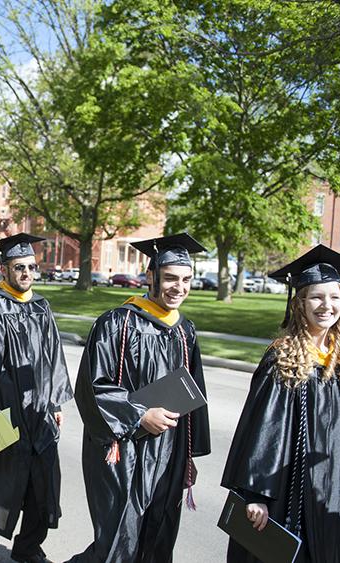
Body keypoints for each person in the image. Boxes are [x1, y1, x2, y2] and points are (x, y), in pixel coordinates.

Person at [221, 245, 340, 562]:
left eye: (334, 298)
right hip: (287, 497)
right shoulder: (282, 358)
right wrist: (255, 495)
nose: (326, 305)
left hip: (331, 497)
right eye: (316, 297)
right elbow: (262, 430)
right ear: (300, 303)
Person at [71, 233, 211, 563]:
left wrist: (187, 455)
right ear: (150, 277)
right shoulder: (116, 323)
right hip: (125, 449)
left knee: (158, 535)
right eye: (171, 278)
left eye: (187, 279)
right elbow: (93, 387)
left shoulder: (184, 329)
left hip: (168, 453)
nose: (180, 287)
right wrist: (138, 415)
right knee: (120, 538)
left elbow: (192, 394)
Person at [0, 233, 73, 563]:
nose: (26, 273)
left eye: (31, 267)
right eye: (19, 267)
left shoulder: (41, 307)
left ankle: (27, 547)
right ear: (3, 269)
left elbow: (53, 357)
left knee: (40, 485)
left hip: (38, 413)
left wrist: (56, 402)